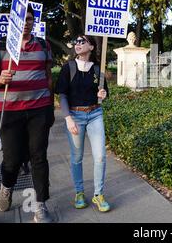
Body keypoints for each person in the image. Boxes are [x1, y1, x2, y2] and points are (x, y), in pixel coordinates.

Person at [0, 6, 54, 223]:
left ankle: (41, 206)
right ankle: (7, 187)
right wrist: (1, 80)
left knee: (38, 157)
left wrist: (50, 107)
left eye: (30, 19)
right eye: (22, 19)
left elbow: (48, 78)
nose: (26, 22)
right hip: (10, 111)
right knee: (12, 159)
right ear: (13, 21)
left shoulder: (43, 45)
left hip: (39, 109)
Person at [55, 35, 110, 212]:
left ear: (92, 47)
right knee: (77, 157)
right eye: (76, 42)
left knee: (100, 156)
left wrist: (103, 94)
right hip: (75, 116)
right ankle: (79, 192)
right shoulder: (68, 68)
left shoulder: (97, 69)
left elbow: (104, 92)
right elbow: (62, 94)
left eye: (82, 41)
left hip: (95, 114)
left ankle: (98, 194)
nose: (78, 44)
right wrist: (68, 118)